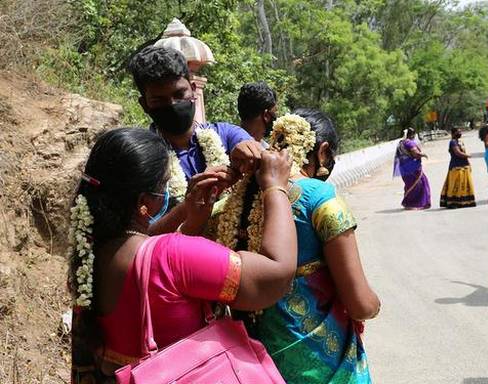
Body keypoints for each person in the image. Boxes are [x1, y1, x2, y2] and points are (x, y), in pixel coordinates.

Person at [70, 128, 297, 382]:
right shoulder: (172, 255)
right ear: (145, 202)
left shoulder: (90, 255)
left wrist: (188, 215)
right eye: (164, 185)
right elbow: (275, 275)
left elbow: (151, 256)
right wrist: (275, 187)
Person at [251, 109, 381, 384]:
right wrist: (374, 306)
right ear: (322, 152)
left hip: (261, 363)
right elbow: (360, 304)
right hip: (325, 366)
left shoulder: (245, 197)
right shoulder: (319, 197)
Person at [129, 46, 263, 233]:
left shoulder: (225, 134)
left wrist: (246, 155)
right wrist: (189, 204)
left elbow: (255, 153)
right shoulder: (141, 159)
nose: (172, 105)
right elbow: (141, 237)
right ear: (144, 105)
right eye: (159, 101)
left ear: (193, 90)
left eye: (178, 95)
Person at [393, 128, 431, 210]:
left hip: (403, 168)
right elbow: (415, 153)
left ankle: (408, 203)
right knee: (421, 183)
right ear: (412, 135)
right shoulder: (409, 143)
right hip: (412, 167)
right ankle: (417, 203)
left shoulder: (401, 143)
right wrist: (423, 155)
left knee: (409, 184)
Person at [440, 128, 476, 209]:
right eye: (458, 132)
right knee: (454, 185)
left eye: (460, 131)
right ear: (453, 133)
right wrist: (468, 155)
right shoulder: (452, 142)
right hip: (456, 166)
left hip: (464, 165)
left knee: (464, 184)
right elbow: (457, 153)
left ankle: (464, 201)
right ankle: (452, 202)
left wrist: (468, 163)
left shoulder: (460, 142)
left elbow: (463, 152)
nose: (460, 133)